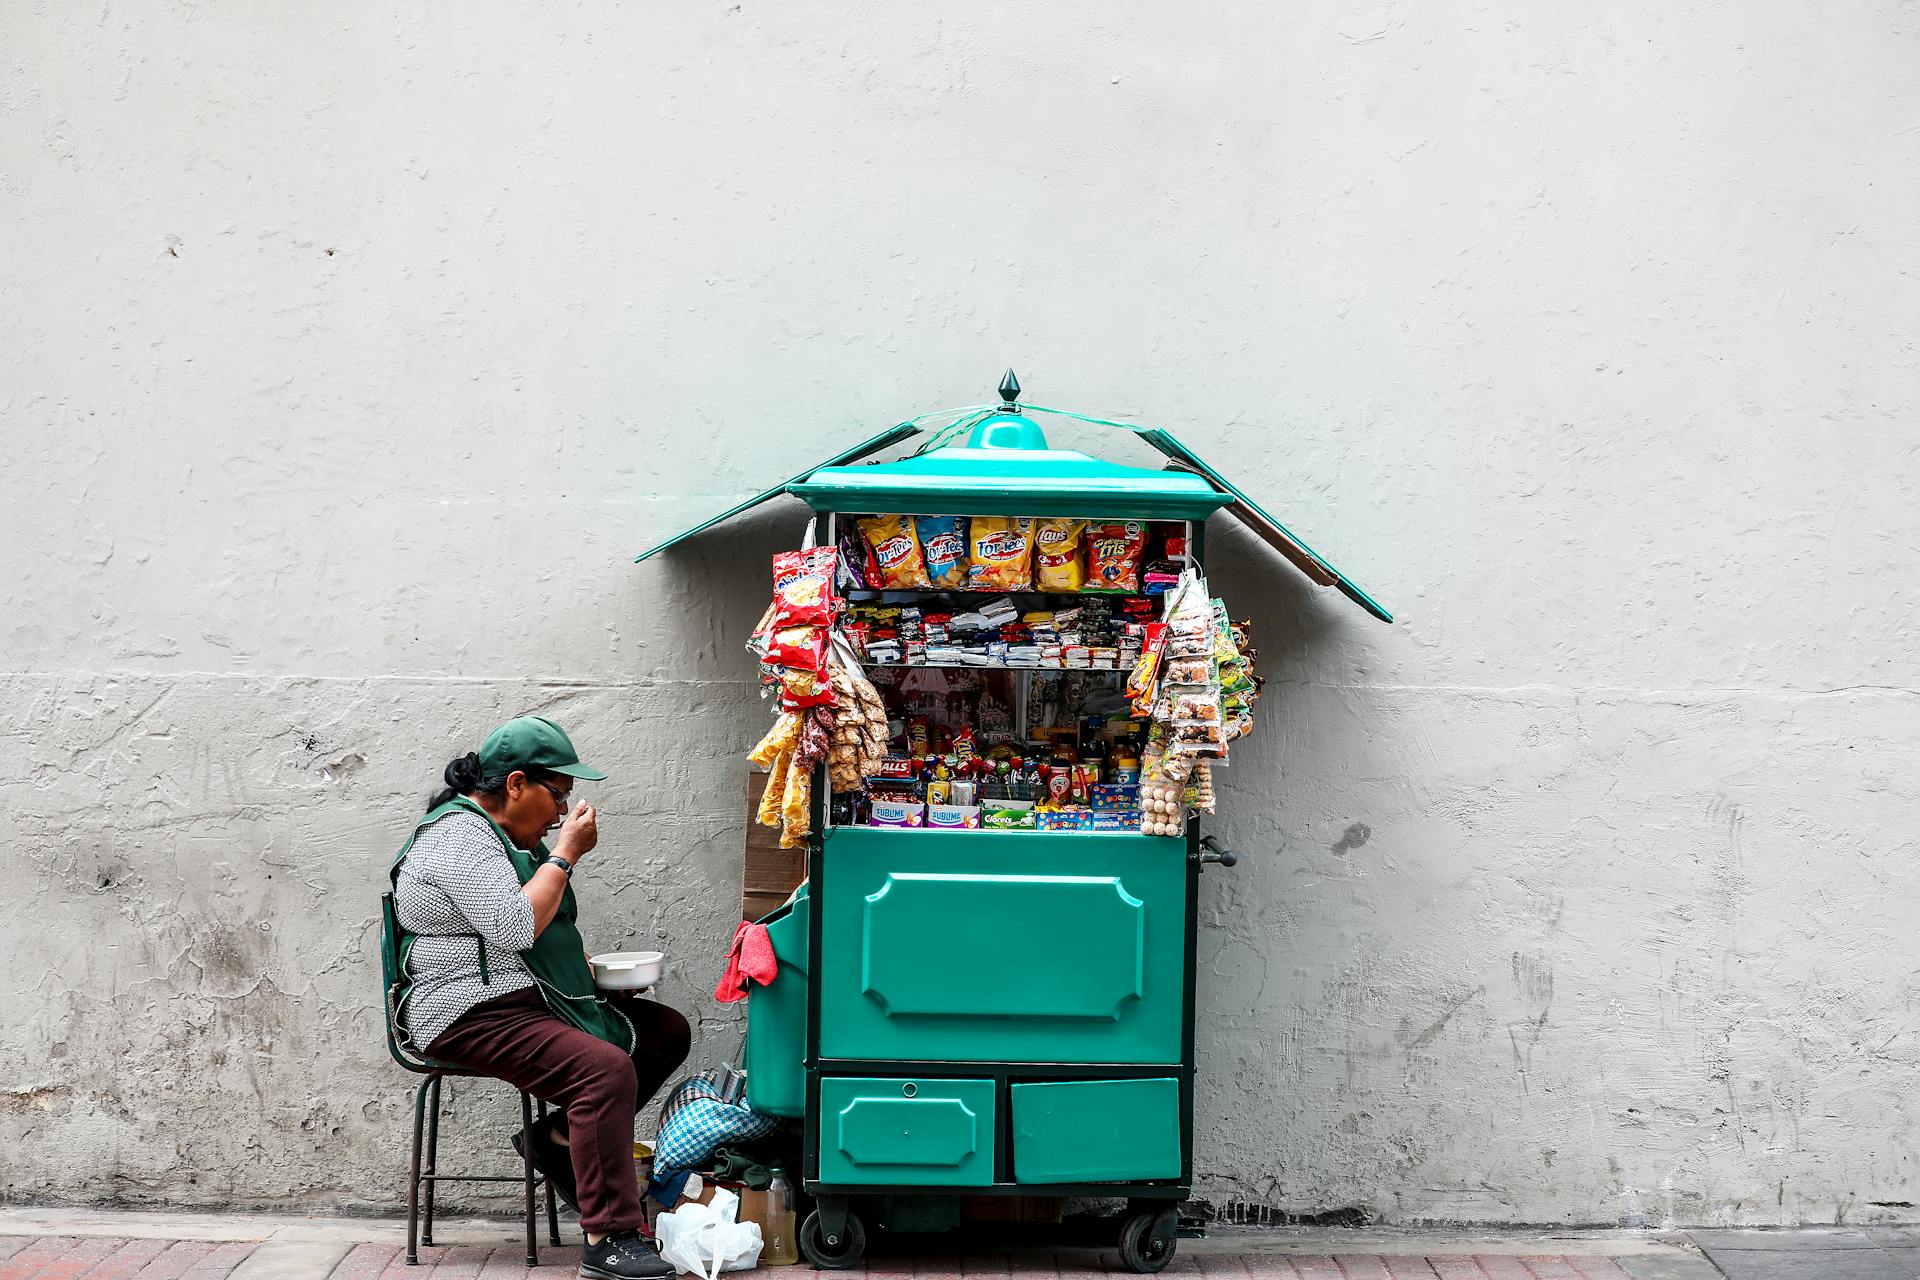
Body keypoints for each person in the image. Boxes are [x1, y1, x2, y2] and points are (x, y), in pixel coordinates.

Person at [389, 716, 686, 1280]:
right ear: (517, 784)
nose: (559, 815)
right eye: (558, 796)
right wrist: (567, 853)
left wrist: (586, 973)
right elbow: (513, 926)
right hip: (466, 1011)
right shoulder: (458, 835)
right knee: (602, 1071)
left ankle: (555, 1141)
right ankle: (610, 1239)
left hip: (522, 1001)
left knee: (664, 1031)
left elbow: (524, 936)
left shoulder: (494, 836)